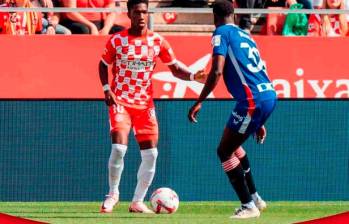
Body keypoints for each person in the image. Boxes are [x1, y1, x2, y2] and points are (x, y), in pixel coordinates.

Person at [98, 0, 205, 214]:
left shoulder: (158, 41)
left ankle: (137, 201)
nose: (141, 16)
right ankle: (113, 194)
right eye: (137, 12)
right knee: (119, 148)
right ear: (129, 13)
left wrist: (193, 76)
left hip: (145, 104)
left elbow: (175, 68)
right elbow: (103, 64)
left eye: (144, 12)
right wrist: (107, 88)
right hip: (121, 101)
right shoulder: (117, 40)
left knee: (151, 154)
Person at [188, 0, 277, 219]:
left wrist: (199, 100)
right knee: (234, 147)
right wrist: (260, 120)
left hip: (252, 100)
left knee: (224, 151)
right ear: (234, 14)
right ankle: (255, 198)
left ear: (214, 17)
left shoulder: (220, 34)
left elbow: (217, 71)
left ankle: (248, 206)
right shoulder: (246, 35)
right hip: (267, 95)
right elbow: (254, 71)